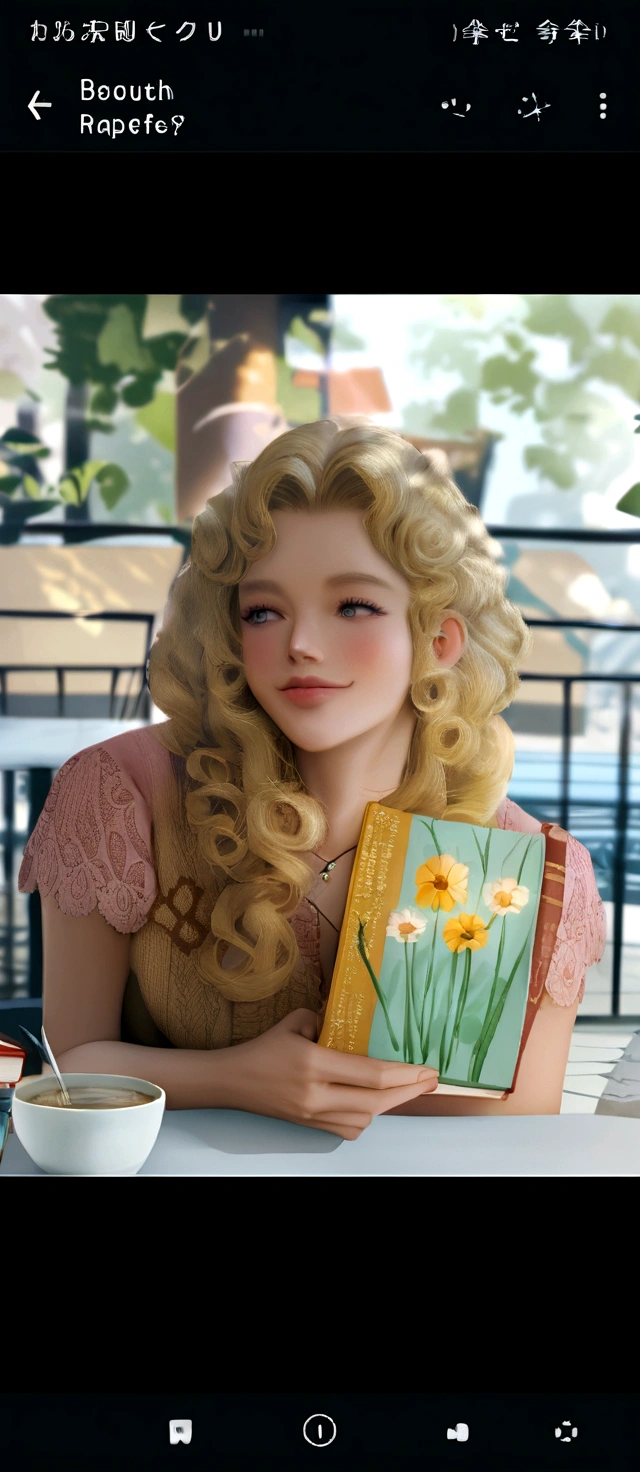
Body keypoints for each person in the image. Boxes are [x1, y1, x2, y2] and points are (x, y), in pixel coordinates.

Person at [18, 418, 606, 1138]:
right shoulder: (119, 796)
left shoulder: (533, 871)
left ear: (440, 639)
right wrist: (236, 1078)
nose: (300, 643)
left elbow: (519, 1137)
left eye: (353, 605)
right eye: (264, 611)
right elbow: (64, 1068)